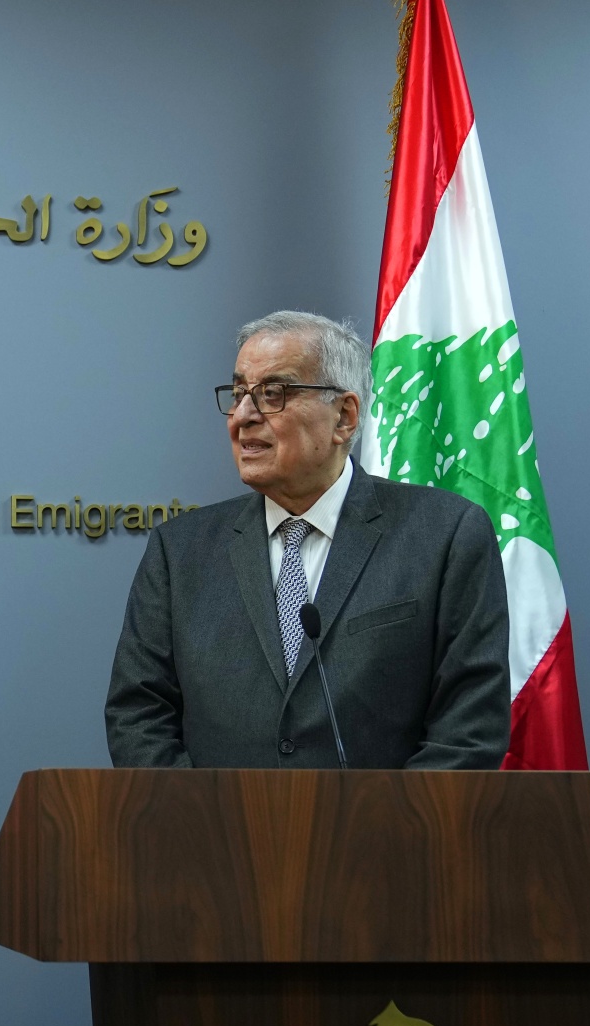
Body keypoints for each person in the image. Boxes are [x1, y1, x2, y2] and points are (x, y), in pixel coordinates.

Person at [105, 310, 508, 769]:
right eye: (238, 394)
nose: (243, 416)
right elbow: (138, 716)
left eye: (272, 394)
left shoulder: (445, 536)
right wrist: (206, 813)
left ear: (344, 417)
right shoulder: (179, 552)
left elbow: (468, 732)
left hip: (387, 818)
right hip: (213, 818)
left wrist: (377, 817)